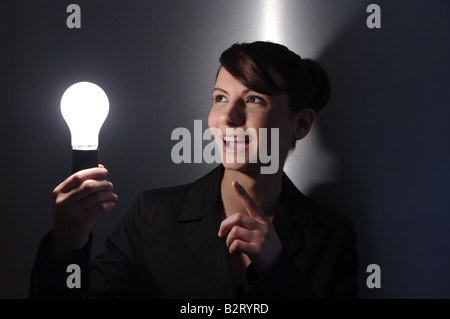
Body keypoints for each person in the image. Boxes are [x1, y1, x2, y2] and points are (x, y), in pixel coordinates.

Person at [29, 41, 359, 299]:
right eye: (220, 97)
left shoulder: (332, 237)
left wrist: (277, 270)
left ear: (301, 123)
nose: (229, 116)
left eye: (255, 99)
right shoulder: (152, 216)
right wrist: (67, 244)